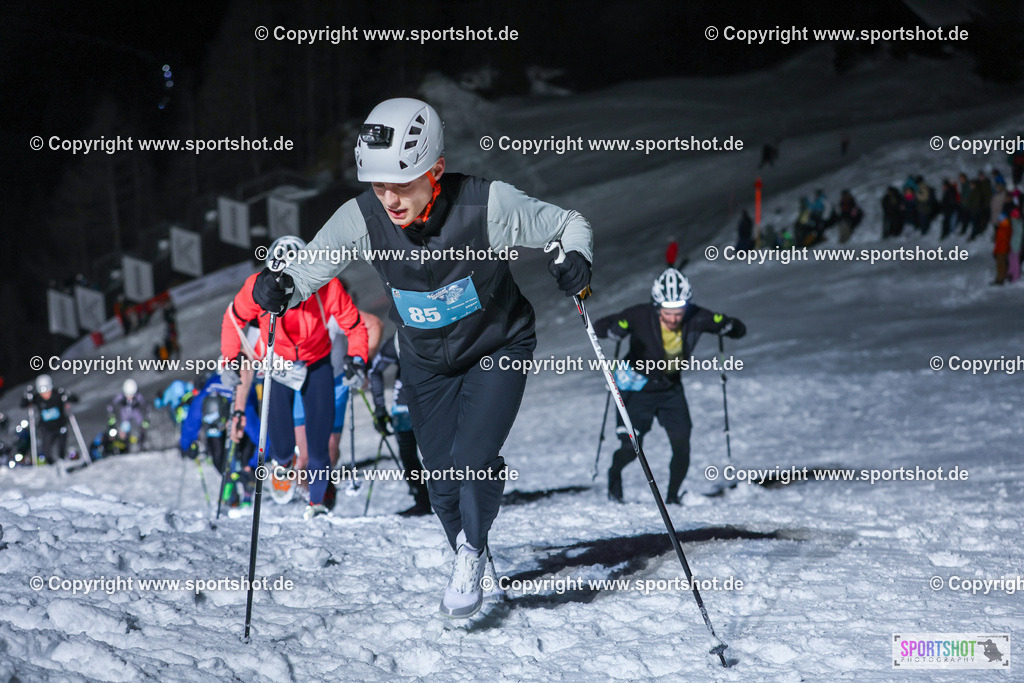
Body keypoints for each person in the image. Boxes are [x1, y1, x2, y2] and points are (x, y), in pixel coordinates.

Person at [248, 98, 593, 619]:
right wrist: (284, 288)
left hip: (496, 346)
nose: (389, 197)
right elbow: (313, 265)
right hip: (425, 360)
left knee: (472, 460)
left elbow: (569, 225)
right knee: (439, 479)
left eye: (401, 183)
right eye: (378, 184)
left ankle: (473, 551)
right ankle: (465, 546)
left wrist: (577, 259)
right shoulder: (363, 217)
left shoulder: (487, 206)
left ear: (435, 169)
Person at [221, 235, 370, 520]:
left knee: (318, 444)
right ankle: (281, 465)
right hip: (278, 365)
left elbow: (355, 325)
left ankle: (317, 504)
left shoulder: (327, 284)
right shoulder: (256, 288)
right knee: (281, 445)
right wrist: (229, 359)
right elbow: (233, 318)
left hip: (317, 363)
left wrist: (358, 360)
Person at [593, 269, 745, 506]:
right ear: (656, 307)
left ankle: (672, 498)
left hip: (670, 390)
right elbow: (600, 326)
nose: (674, 318)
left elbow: (738, 330)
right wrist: (616, 329)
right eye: (667, 312)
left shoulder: (696, 317)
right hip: (636, 389)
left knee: (682, 444)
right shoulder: (640, 315)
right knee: (631, 448)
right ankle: (614, 476)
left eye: (679, 312)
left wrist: (728, 325)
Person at [369, 333, 431, 516]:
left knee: (418, 457)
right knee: (416, 457)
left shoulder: (398, 337)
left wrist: (380, 408)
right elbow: (374, 371)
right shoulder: (398, 339)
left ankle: (425, 502)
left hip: (421, 406)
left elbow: (374, 371)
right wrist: (379, 408)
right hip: (410, 407)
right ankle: (424, 502)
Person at [20, 374, 78, 464]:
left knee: (61, 447)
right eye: (42, 392)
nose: (45, 394)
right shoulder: (37, 398)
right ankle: (51, 464)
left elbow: (75, 399)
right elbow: (23, 405)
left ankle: (63, 461)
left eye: (47, 391)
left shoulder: (57, 394)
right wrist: (26, 396)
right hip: (46, 428)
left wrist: (68, 395)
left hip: (60, 426)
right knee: (46, 449)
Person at [107, 379, 149, 451]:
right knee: (124, 428)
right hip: (125, 413)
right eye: (127, 395)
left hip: (135, 411)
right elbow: (111, 405)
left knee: (143, 425)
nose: (129, 397)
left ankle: (141, 443)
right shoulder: (120, 396)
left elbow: (145, 405)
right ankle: (124, 445)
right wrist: (111, 413)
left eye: (132, 395)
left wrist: (146, 414)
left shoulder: (138, 396)